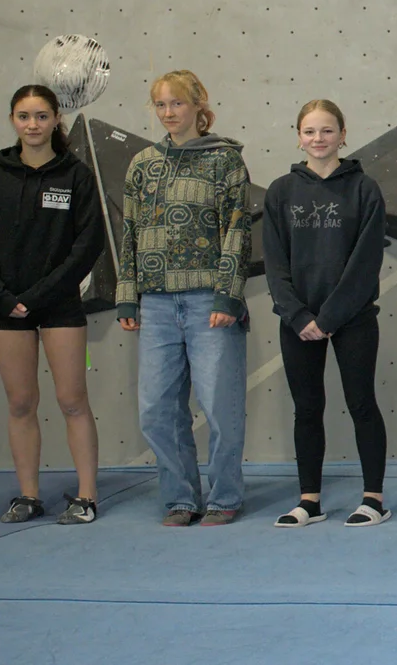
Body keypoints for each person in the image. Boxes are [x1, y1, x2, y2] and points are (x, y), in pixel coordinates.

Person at [116, 70, 253, 527]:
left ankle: (225, 496)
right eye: (160, 105)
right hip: (155, 304)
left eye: (176, 103)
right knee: (156, 409)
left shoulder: (225, 160)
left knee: (219, 405)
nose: (168, 112)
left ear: (198, 105)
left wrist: (227, 297)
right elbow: (129, 233)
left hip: (208, 302)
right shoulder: (141, 164)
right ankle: (180, 498)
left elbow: (237, 231)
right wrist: (127, 297)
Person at [0, 84, 106, 524]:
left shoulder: (76, 176)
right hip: (9, 310)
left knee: (72, 400)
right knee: (21, 403)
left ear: (55, 121)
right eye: (24, 116)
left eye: (41, 116)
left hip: (60, 306)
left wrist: (41, 295)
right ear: (12, 120)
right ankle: (28, 495)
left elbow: (87, 245)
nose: (33, 124)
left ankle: (86, 496)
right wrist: (6, 300)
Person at [264, 99, 392, 527]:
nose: (318, 140)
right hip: (297, 322)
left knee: (362, 404)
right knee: (307, 409)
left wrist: (330, 317)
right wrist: (299, 317)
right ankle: (310, 500)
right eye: (309, 132)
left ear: (342, 134)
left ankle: (373, 498)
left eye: (327, 131)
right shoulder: (282, 191)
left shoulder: (364, 189)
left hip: (352, 318)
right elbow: (275, 262)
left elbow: (365, 262)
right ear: (298, 136)